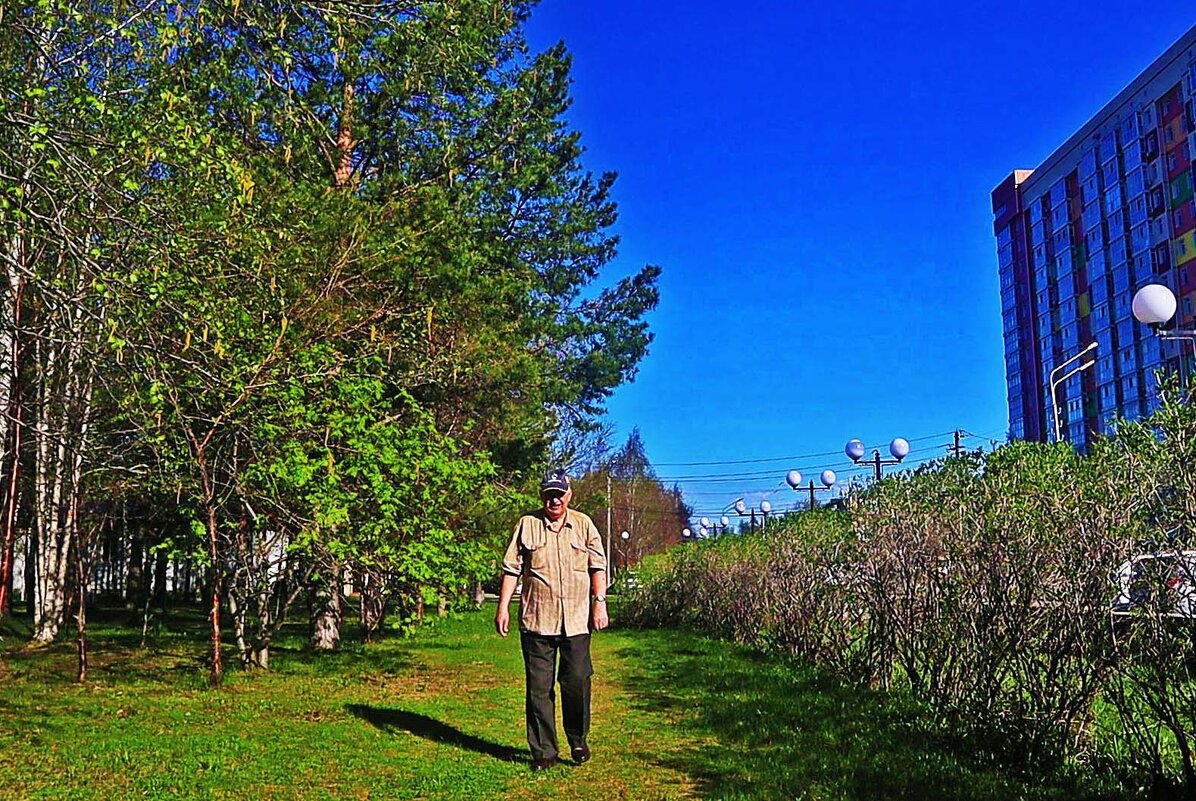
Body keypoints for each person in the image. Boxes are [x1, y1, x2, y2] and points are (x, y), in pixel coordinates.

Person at [495, 468, 608, 771]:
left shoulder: (584, 525)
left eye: (559, 493)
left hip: (576, 622)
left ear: (569, 495)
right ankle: (544, 752)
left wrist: (600, 604)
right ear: (542, 496)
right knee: (538, 688)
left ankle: (578, 739)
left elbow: (598, 567)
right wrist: (503, 607)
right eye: (549, 494)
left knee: (576, 683)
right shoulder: (527, 524)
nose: (554, 499)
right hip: (537, 621)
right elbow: (511, 569)